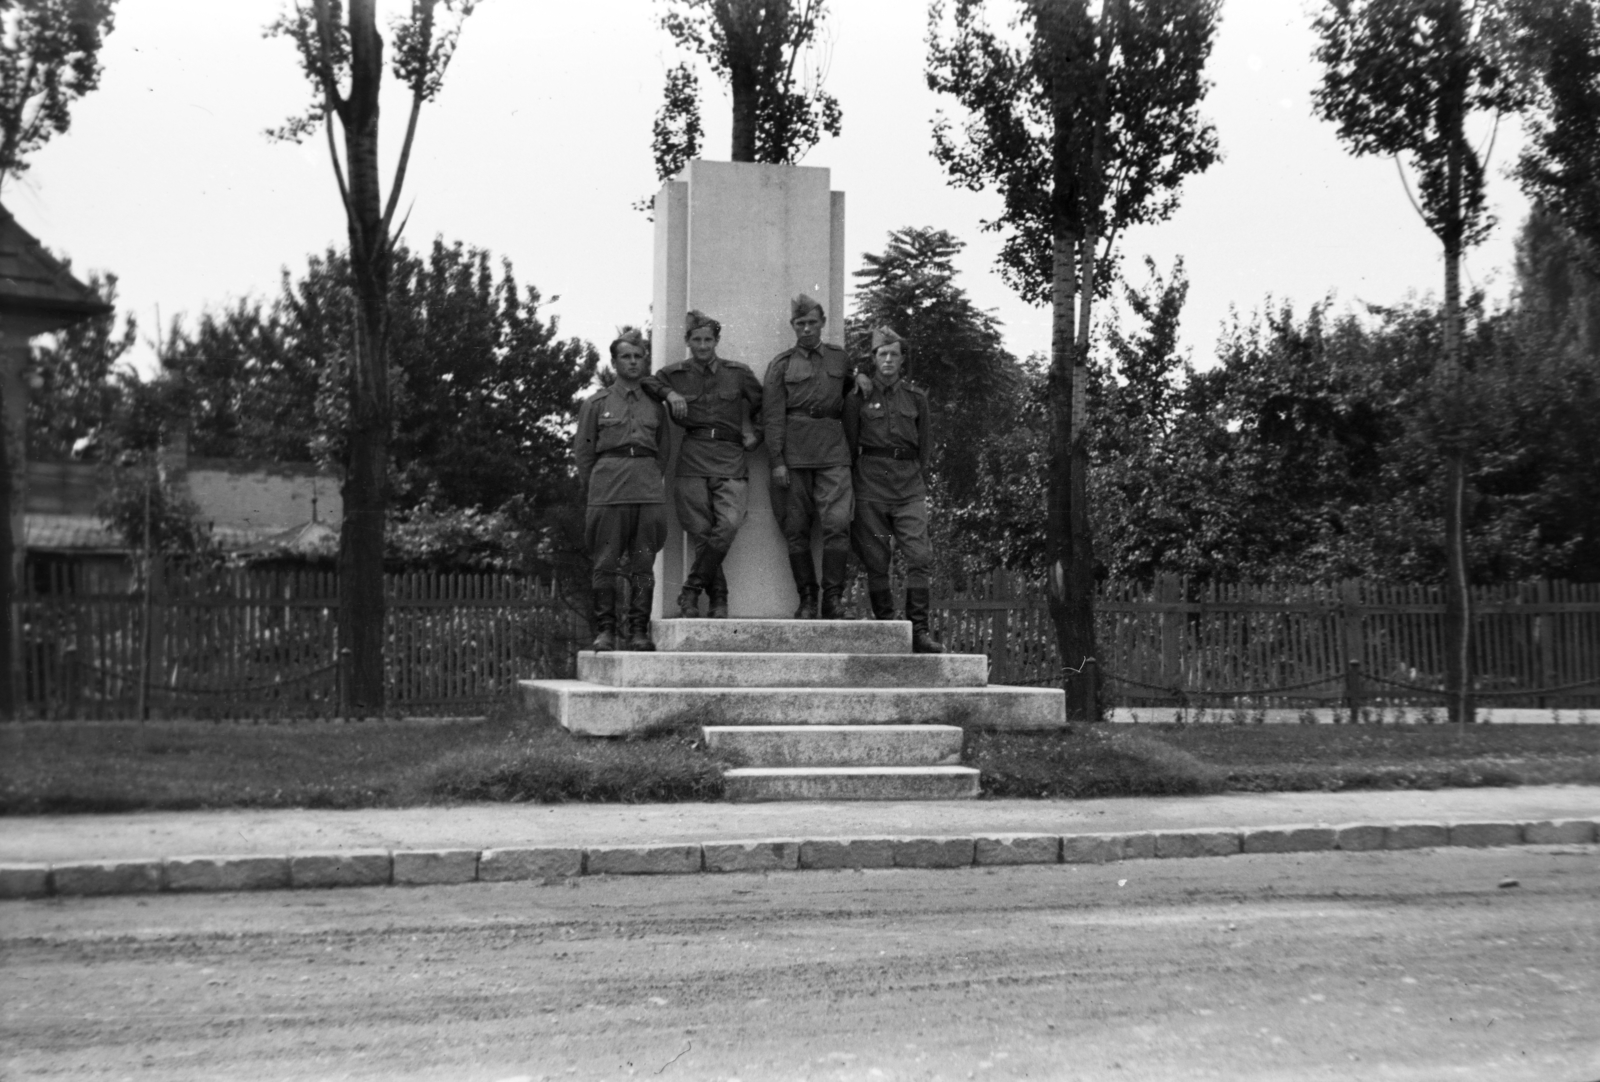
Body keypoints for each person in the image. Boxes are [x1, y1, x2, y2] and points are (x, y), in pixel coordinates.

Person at [643, 310, 763, 618]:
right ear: (687, 341)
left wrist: (757, 434)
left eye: (708, 339)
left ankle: (691, 590)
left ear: (717, 340)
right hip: (693, 455)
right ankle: (718, 599)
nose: (703, 346)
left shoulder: (738, 373)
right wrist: (669, 393)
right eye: (696, 340)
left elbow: (765, 405)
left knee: (729, 524)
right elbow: (647, 382)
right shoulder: (674, 374)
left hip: (730, 456)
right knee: (701, 531)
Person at [843, 326, 947, 654]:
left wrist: (916, 477)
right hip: (870, 485)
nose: (888, 360)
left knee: (919, 556)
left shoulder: (916, 398)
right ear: (873, 359)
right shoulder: (858, 397)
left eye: (894, 354)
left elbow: (926, 444)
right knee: (876, 561)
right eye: (882, 354)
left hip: (908, 486)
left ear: (902, 360)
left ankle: (919, 631)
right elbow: (849, 441)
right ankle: (889, 628)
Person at [573, 328, 671, 651]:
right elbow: (585, 454)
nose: (632, 362)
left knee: (643, 564)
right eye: (625, 357)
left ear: (645, 361)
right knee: (605, 563)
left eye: (638, 356)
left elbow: (664, 452)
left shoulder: (656, 407)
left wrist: (648, 478)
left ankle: (639, 631)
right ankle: (606, 630)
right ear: (614, 362)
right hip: (609, 494)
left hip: (646, 493)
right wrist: (602, 484)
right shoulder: (596, 404)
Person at [763, 293, 857, 619]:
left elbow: (851, 399)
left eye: (812, 323)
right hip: (795, 455)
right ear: (793, 326)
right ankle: (807, 598)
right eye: (800, 324)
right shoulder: (781, 365)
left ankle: (833, 599)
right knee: (796, 527)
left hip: (833, 451)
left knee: (837, 523)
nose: (806, 329)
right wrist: (777, 460)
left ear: (822, 324)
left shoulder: (840, 359)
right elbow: (772, 417)